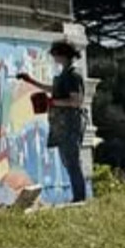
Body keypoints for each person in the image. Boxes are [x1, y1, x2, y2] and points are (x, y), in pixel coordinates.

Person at [20, 40, 87, 203]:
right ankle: (78, 195)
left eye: (55, 55)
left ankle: (79, 197)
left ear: (62, 55)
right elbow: (54, 90)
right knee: (67, 160)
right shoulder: (65, 74)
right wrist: (31, 81)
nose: (53, 58)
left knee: (72, 160)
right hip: (61, 124)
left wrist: (52, 103)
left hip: (70, 123)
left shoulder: (73, 75)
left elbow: (76, 101)